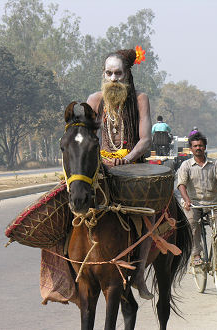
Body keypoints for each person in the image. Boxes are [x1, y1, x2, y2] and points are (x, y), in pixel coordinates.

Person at [87, 48, 153, 299]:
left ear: (128, 75)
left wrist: (125, 159)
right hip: (100, 167)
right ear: (103, 75)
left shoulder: (140, 99)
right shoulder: (94, 100)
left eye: (118, 73)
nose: (113, 79)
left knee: (149, 213)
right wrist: (97, 159)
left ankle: (139, 273)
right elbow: (87, 137)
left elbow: (145, 140)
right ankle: (68, 268)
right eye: (109, 73)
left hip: (131, 166)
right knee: (71, 202)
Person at [177, 132, 217, 266]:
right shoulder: (186, 166)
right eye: (195, 146)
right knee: (191, 223)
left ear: (205, 147)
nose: (198, 148)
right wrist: (187, 200)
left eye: (201, 145)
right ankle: (196, 254)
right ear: (191, 149)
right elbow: (181, 185)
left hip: (214, 204)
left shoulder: (214, 164)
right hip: (194, 205)